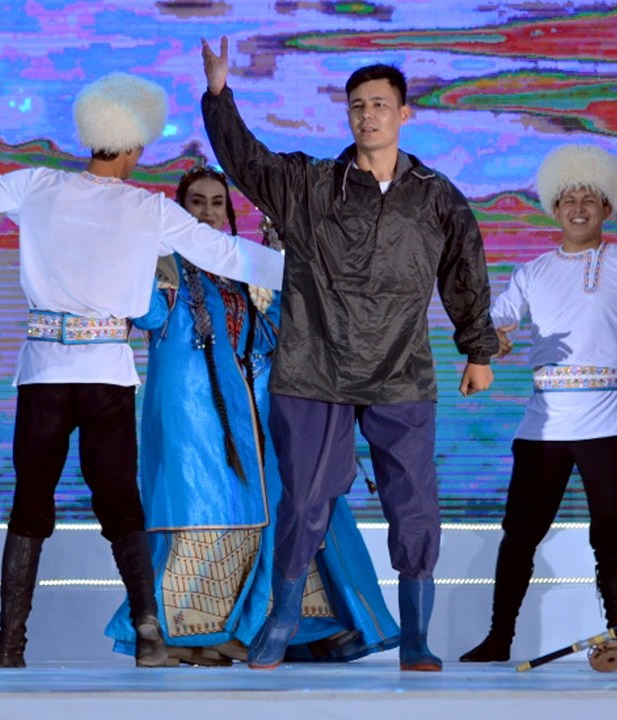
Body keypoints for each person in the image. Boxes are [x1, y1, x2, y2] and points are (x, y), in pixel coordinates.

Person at [0, 72, 283, 669]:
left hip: (45, 374)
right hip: (107, 376)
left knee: (31, 505)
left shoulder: (39, 186)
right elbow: (227, 253)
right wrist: (309, 268)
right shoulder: (148, 209)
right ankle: (148, 632)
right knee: (121, 505)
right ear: (134, 146)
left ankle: (10, 647)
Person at [199, 37, 500, 671]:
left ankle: (416, 637)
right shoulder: (310, 184)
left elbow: (465, 271)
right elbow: (246, 160)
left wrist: (477, 349)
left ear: (404, 113)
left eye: (380, 104)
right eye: (358, 105)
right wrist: (220, 96)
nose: (369, 115)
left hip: (401, 371)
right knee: (305, 501)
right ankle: (282, 618)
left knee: (414, 506)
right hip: (316, 365)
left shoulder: (436, 195)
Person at [103, 166, 400, 665]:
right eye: (196, 202)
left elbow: (276, 335)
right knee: (203, 511)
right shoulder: (163, 260)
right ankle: (185, 631)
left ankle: (276, 625)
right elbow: (148, 316)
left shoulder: (243, 265)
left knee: (275, 507)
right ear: (178, 208)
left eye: (217, 202)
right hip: (189, 408)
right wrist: (143, 257)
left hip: (254, 405)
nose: (207, 211)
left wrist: (280, 283)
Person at [458, 144, 617, 668]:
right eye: (569, 199)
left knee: (614, 535)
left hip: (609, 421)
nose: (578, 208)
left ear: (607, 208)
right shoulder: (532, 273)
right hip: (543, 425)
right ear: (554, 208)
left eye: (589, 199)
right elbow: (493, 323)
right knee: (520, 534)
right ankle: (499, 638)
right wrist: (493, 342)